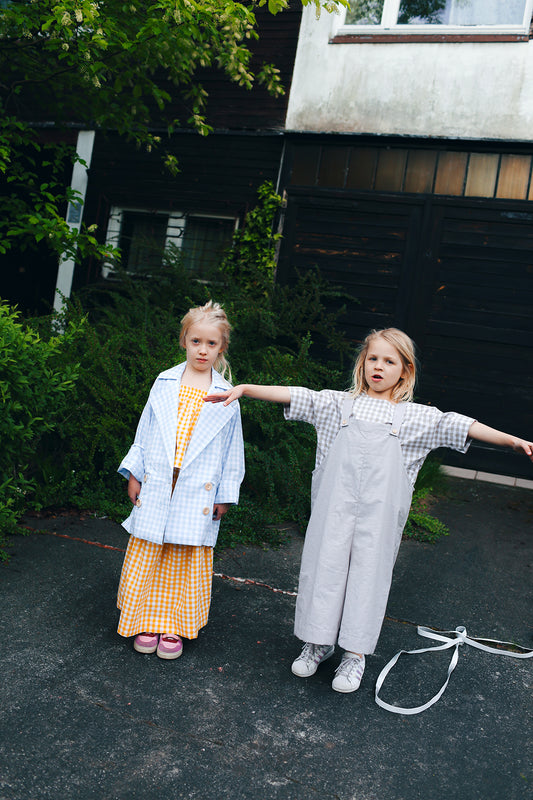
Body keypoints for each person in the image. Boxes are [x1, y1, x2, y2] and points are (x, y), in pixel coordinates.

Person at [205, 328, 533, 692]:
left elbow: (461, 425)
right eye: (373, 358)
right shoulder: (337, 406)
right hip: (333, 515)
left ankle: (354, 655)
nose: (379, 366)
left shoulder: (415, 419)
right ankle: (318, 643)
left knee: (367, 579)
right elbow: (298, 394)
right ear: (363, 363)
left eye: (389, 361)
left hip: (378, 524)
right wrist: (244, 389)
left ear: (405, 371)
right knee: (324, 570)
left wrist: (512, 440)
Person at [116, 301, 245, 660]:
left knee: (182, 560)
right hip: (160, 482)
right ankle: (144, 620)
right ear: (184, 341)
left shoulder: (227, 395)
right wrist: (135, 473)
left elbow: (233, 452)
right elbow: (144, 431)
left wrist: (225, 494)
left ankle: (174, 624)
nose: (202, 350)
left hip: (197, 491)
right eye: (196, 341)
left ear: (221, 347)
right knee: (149, 552)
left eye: (211, 343)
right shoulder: (165, 382)